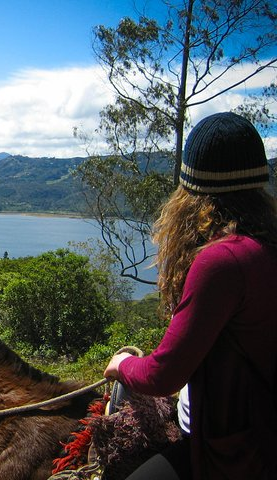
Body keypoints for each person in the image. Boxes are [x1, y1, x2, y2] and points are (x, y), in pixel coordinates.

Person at [103, 111, 277, 479]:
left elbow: (162, 376)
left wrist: (121, 365)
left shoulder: (222, 260)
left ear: (190, 190)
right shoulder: (265, 244)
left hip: (238, 450)